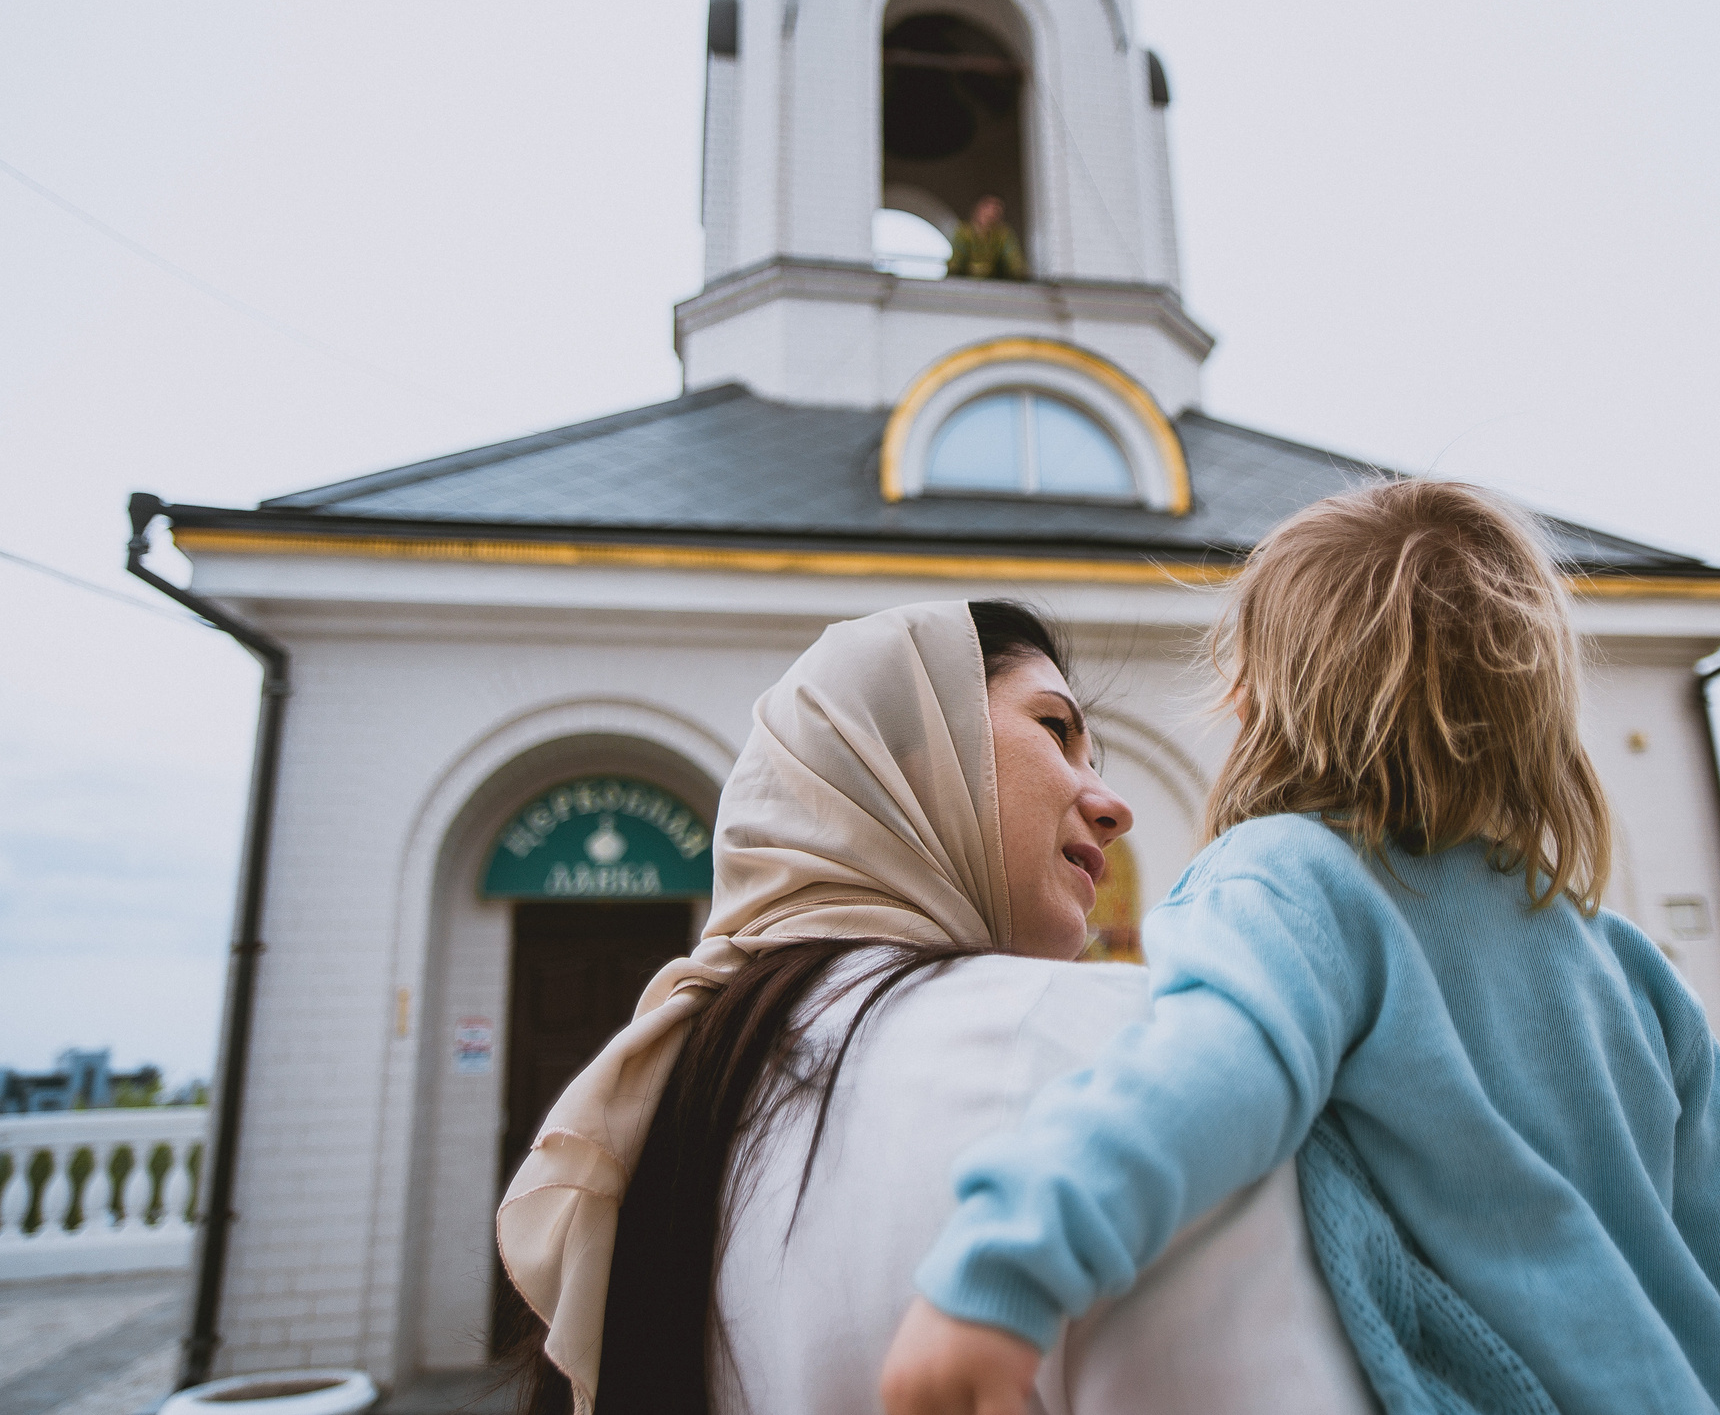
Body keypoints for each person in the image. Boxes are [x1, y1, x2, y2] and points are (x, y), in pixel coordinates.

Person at [882, 482, 1720, 1415]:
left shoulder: (1295, 879)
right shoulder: (1634, 968)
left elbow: (1207, 1072)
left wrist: (1005, 1267)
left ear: (1256, 702)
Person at [497, 599, 1369, 1415]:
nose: (1112, 806)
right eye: (1056, 731)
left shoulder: (682, 1082)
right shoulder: (1116, 1055)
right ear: (907, 753)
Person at [945, 195, 1027, 280]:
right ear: (979, 210)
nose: (993, 213)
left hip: (995, 283)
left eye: (997, 209)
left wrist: (1020, 273)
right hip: (967, 283)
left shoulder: (1003, 234)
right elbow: (956, 261)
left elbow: (1014, 260)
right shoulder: (965, 232)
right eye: (989, 208)